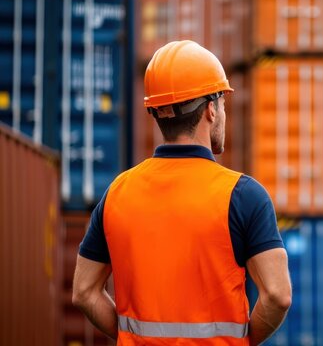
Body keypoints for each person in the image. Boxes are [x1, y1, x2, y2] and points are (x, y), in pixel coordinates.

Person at [72, 40, 291, 345]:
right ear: (211, 110)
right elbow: (278, 295)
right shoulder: (242, 195)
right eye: (223, 103)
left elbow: (84, 292)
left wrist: (129, 336)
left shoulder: (118, 192)